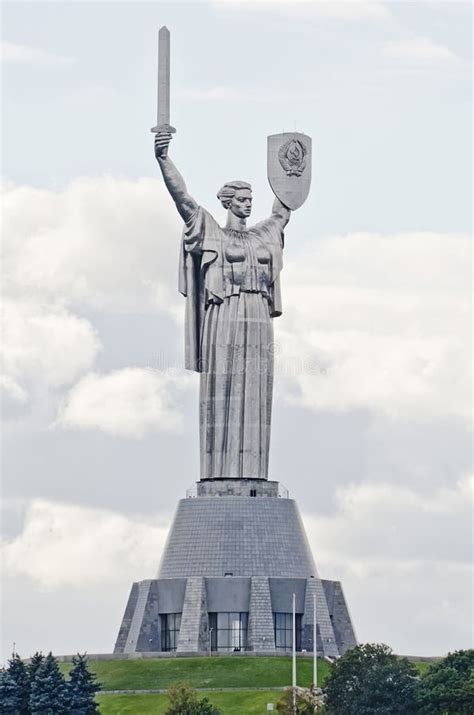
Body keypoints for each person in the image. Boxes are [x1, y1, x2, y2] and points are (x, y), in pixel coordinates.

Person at [155, 130, 291, 480]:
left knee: (256, 390)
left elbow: (285, 206)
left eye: (251, 199)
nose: (248, 203)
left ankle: (254, 473)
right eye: (243, 199)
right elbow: (182, 198)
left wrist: (290, 172)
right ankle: (219, 472)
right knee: (225, 387)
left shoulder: (266, 234)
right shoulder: (212, 232)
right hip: (224, 314)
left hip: (259, 317)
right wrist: (164, 159)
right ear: (228, 202)